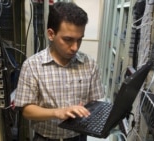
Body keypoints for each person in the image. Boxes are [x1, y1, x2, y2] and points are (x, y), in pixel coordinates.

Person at [14, 2, 104, 141]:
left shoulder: (89, 64)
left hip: (78, 137)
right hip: (45, 138)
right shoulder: (32, 66)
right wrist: (57, 112)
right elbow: (26, 110)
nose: (75, 48)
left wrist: (88, 109)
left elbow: (94, 101)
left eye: (79, 40)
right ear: (51, 34)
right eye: (68, 40)